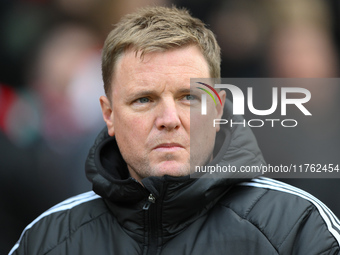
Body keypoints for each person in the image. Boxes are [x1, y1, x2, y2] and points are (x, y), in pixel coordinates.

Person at [9, 6, 340, 255]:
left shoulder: (298, 228)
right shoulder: (46, 240)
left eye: (189, 97)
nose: (169, 118)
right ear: (108, 115)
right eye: (143, 99)